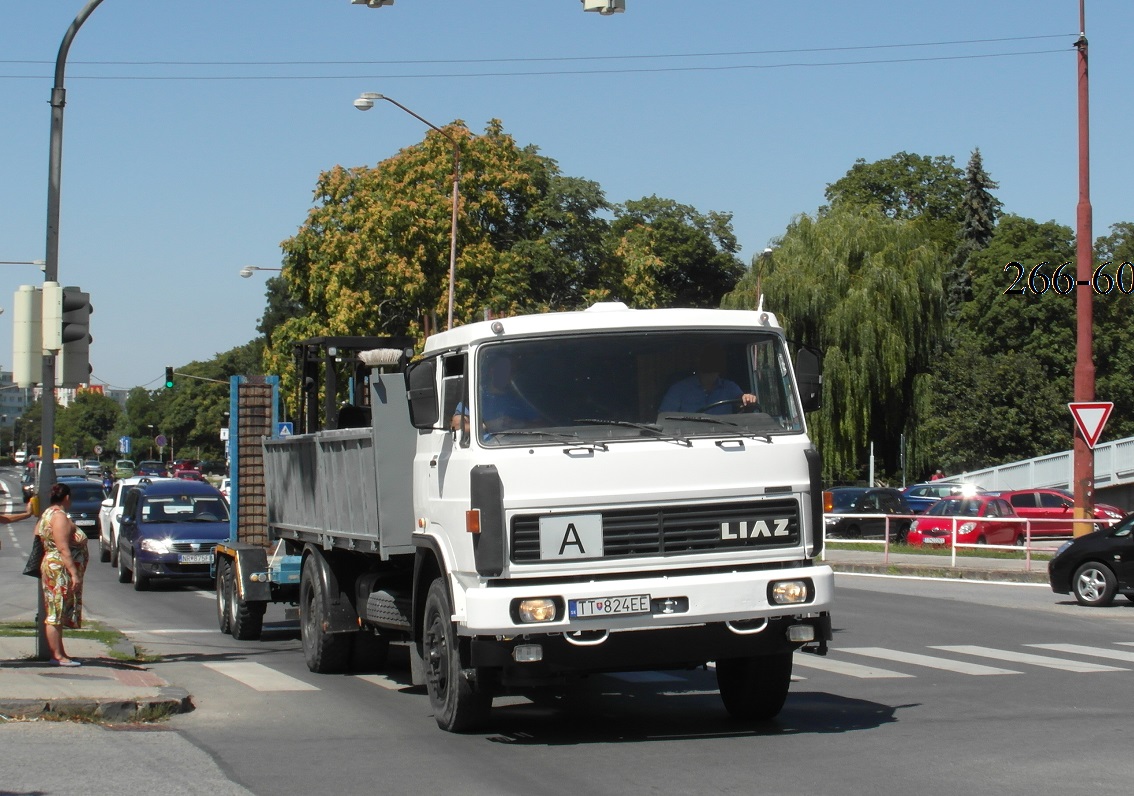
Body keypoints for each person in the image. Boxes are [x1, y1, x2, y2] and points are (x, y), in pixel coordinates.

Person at [36, 483, 88, 667]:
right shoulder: (59, 517)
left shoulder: (47, 514)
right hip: (59, 568)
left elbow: (38, 533)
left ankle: (61, 653)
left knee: (56, 608)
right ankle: (56, 656)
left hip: (53, 565)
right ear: (66, 497)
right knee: (55, 611)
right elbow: (63, 547)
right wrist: (74, 573)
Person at [451, 354, 541, 436]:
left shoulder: (520, 400)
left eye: (511, 371)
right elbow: (456, 426)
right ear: (492, 370)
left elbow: (542, 425)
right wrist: (489, 425)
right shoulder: (475, 398)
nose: (507, 374)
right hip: (487, 449)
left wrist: (520, 424)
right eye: (503, 369)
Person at [659, 347, 757, 416]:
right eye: (708, 357)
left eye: (716, 358)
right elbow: (664, 418)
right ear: (698, 361)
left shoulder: (730, 387)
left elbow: (741, 403)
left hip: (726, 436)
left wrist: (747, 399)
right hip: (688, 439)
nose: (712, 361)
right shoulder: (679, 389)